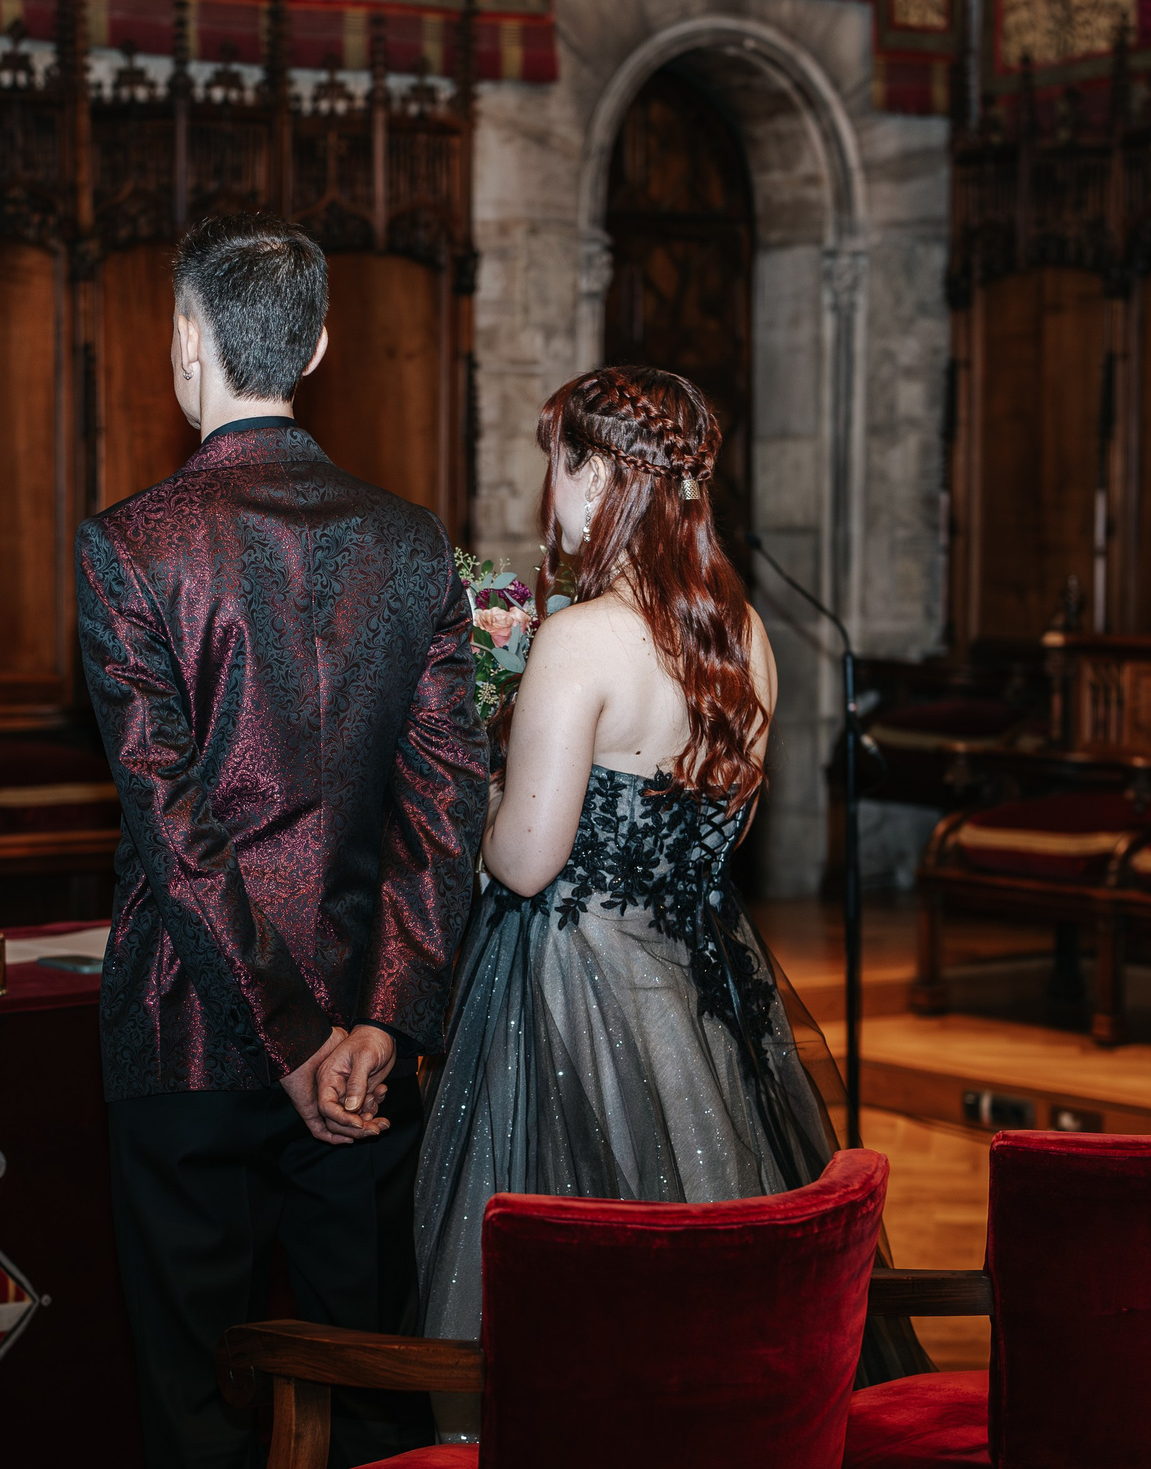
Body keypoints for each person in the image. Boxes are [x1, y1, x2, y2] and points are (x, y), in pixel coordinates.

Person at [371, 367, 927, 1404]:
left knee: (574, 1281)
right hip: (699, 979)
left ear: (610, 478)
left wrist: (475, 778)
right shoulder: (746, 635)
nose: (550, 491)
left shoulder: (579, 642)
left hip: (570, 992)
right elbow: (724, 826)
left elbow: (526, 860)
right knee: (708, 1239)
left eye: (558, 462)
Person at [78, 214, 490, 1469]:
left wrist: (296, 1034)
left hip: (190, 1029)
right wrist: (377, 1022)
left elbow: (175, 826)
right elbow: (448, 803)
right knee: (360, 1379)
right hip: (365, 1043)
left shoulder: (130, 544)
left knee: (198, 1387)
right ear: (314, 347)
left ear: (186, 343)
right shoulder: (413, 541)